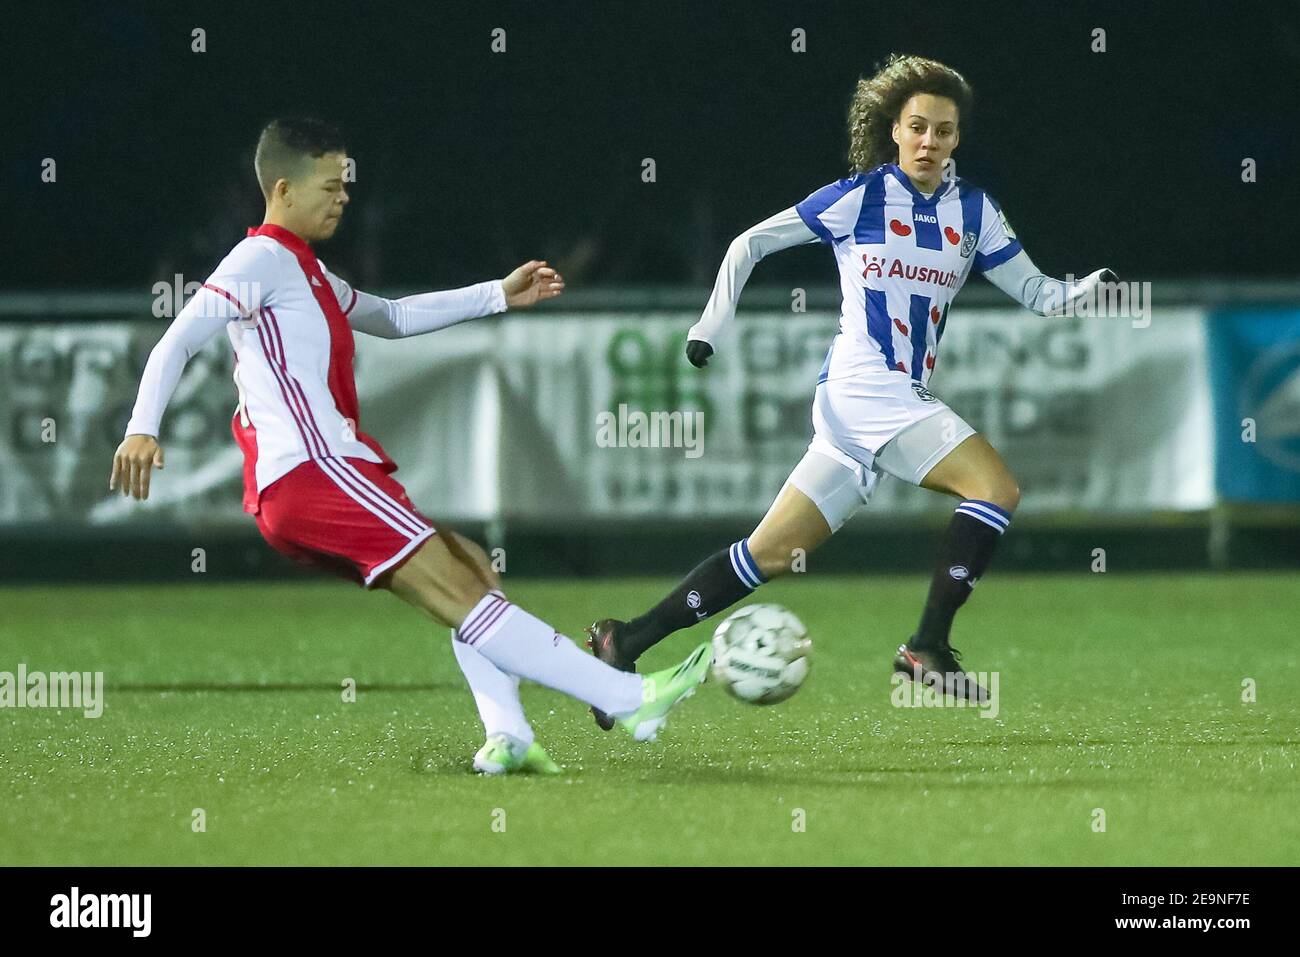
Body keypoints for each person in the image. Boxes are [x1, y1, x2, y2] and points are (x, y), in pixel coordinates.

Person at [110, 117, 711, 772]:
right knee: (457, 585)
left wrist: (498, 295)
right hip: (314, 472)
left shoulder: (306, 271)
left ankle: (507, 735)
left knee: (472, 566)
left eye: (346, 185)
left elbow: (392, 318)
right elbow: (181, 336)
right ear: (282, 188)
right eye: (332, 185)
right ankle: (627, 697)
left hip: (317, 477)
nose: (344, 197)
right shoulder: (258, 259)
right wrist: (143, 425)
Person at [586, 54, 1115, 728]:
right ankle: (926, 646)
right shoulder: (858, 196)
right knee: (995, 489)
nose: (930, 142)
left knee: (767, 553)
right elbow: (750, 243)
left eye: (944, 132)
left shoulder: (974, 211)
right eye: (918, 127)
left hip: (865, 408)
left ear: (957, 140)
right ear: (894, 129)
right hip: (867, 388)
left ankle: (623, 640)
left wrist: (1082, 293)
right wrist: (708, 326)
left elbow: (1038, 294)